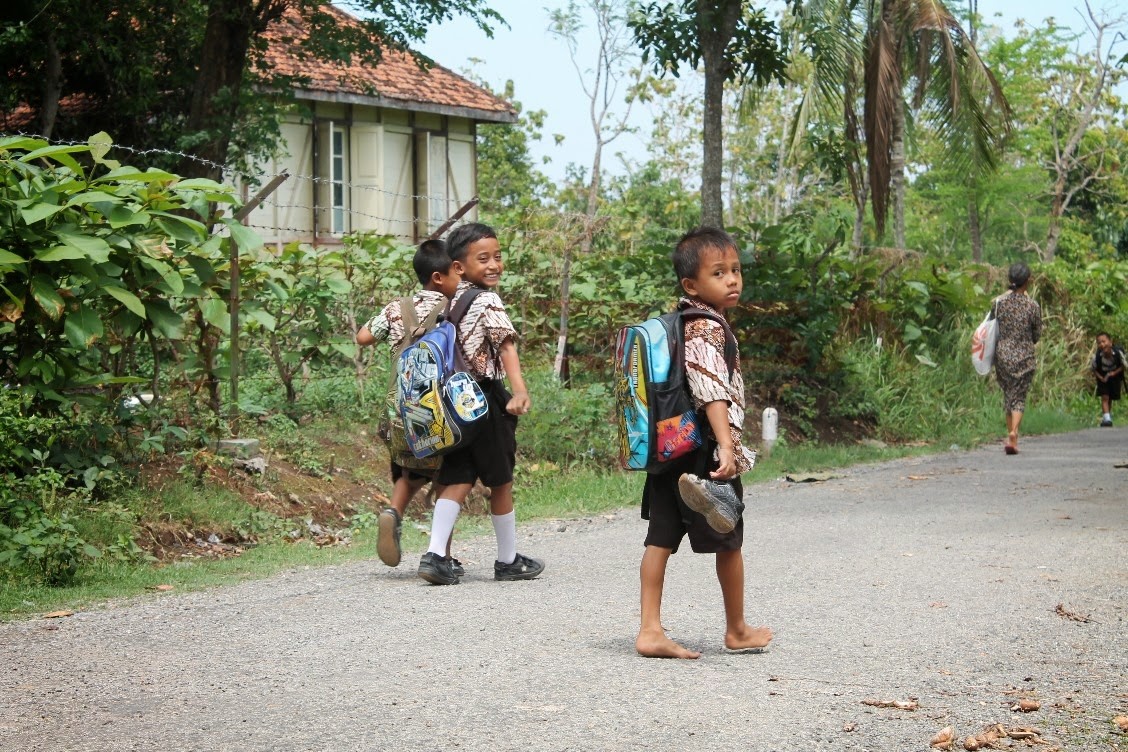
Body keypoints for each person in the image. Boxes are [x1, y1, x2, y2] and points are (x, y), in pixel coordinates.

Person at [635, 226, 772, 660]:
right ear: (691, 285)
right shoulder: (706, 329)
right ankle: (737, 629)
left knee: (660, 538)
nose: (732, 279)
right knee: (728, 535)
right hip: (703, 450)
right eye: (719, 273)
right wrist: (727, 446)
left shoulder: (679, 324)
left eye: (734, 270)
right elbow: (710, 388)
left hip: (669, 447)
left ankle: (650, 629)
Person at [415, 222, 544, 585]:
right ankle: (507, 560)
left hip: (454, 402)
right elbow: (505, 345)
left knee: (457, 477)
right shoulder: (488, 300)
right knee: (500, 481)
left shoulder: (448, 299)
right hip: (485, 398)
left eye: (498, 257)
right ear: (458, 266)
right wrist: (519, 391)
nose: (494, 265)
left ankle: (436, 554)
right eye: (483, 258)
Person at [356, 239, 461, 570]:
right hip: (439, 405)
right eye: (455, 270)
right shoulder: (453, 309)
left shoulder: (395, 307)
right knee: (450, 474)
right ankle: (441, 553)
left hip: (401, 406)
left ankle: (393, 512)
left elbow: (363, 337)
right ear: (438, 276)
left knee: (409, 470)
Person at [993, 261, 1043, 455]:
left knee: (1008, 395)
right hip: (1024, 357)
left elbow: (992, 328)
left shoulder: (999, 304)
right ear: (1028, 281)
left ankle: (1010, 436)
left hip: (1003, 355)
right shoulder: (1032, 306)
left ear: (1010, 280)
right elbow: (1036, 335)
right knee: (1019, 397)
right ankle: (1014, 433)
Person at [1091, 332, 1125, 427]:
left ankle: (1107, 417)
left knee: (1110, 398)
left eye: (1104, 341)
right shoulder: (1097, 357)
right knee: (1105, 397)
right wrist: (1101, 378)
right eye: (1099, 342)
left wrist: (1114, 373)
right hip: (1102, 377)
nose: (1102, 344)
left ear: (1110, 342)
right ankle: (1107, 418)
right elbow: (1093, 369)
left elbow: (1123, 366)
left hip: (1114, 377)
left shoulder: (1118, 354)